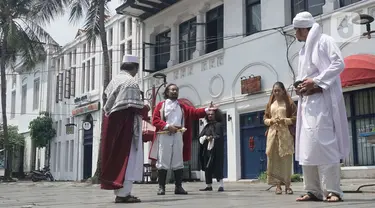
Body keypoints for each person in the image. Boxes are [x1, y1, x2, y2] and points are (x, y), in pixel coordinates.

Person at [292, 11, 350, 203]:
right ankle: (312, 190)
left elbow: (338, 64)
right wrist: (300, 86)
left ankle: (333, 190)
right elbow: (305, 75)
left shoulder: (325, 41)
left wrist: (316, 81)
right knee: (308, 147)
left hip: (324, 101)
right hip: (307, 104)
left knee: (325, 144)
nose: (295, 34)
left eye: (296, 30)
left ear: (303, 28)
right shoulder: (302, 51)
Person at [149, 83, 217, 195]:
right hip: (164, 135)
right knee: (163, 161)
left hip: (178, 135)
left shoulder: (182, 107)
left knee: (178, 161)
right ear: (167, 92)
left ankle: (178, 187)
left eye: (176, 90)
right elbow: (155, 120)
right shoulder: (161, 105)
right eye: (172, 90)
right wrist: (167, 126)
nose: (175, 92)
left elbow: (194, 112)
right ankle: (161, 187)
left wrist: (206, 110)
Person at [100, 55, 150, 203]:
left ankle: (121, 192)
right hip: (126, 124)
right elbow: (132, 106)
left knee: (119, 157)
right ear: (135, 68)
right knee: (128, 159)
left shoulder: (114, 80)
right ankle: (123, 194)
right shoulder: (130, 82)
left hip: (113, 123)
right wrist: (146, 107)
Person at [264, 82, 296, 195]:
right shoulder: (270, 104)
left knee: (286, 160)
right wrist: (271, 121)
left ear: (283, 91)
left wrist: (285, 120)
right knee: (275, 159)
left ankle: (287, 185)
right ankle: (278, 186)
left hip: (285, 135)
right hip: (273, 134)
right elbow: (265, 118)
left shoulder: (289, 103)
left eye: (278, 90)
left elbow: (295, 118)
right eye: (274, 91)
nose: (276, 93)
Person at [198, 109, 225, 192]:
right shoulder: (206, 126)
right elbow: (201, 136)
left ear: (216, 115)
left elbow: (219, 136)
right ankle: (209, 185)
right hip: (207, 150)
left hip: (216, 150)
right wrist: (204, 138)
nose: (210, 115)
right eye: (209, 114)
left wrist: (212, 138)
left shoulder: (218, 125)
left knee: (217, 166)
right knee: (207, 167)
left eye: (212, 114)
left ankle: (221, 185)